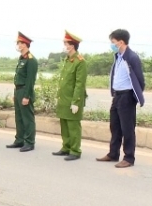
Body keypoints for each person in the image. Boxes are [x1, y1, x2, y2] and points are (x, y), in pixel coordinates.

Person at [96, 29, 145, 168]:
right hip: (117, 96)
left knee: (127, 128)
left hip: (127, 96)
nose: (112, 45)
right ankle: (113, 153)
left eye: (113, 42)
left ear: (121, 42)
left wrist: (134, 97)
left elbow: (140, 80)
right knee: (115, 126)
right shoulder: (118, 56)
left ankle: (129, 158)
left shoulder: (132, 57)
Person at [53, 30, 88, 161]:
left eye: (66, 43)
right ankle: (66, 147)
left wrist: (76, 102)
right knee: (64, 125)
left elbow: (80, 84)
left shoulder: (80, 62)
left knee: (73, 126)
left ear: (72, 45)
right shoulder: (68, 60)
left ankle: (75, 150)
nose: (64, 46)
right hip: (64, 99)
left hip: (72, 99)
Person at [6, 32, 38, 152]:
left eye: (19, 43)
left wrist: (27, 96)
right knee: (18, 117)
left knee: (27, 118)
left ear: (25, 44)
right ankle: (19, 140)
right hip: (18, 90)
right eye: (18, 43)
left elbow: (30, 80)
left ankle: (29, 142)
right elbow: (18, 78)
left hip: (25, 91)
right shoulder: (21, 59)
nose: (18, 45)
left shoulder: (31, 60)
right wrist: (15, 93)